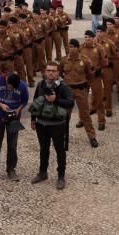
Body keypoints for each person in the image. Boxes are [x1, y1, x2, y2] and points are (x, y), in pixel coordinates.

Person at [30, 61, 74, 189]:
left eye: (53, 71)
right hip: (41, 124)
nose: (50, 73)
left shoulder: (64, 86)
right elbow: (35, 101)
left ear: (58, 72)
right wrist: (33, 119)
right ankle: (42, 173)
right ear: (45, 72)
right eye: (48, 70)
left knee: (60, 151)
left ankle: (61, 176)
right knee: (43, 149)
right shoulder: (41, 84)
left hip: (57, 125)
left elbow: (70, 103)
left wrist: (56, 100)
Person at [0, 67, 29, 183]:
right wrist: (0, 105)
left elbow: (25, 101)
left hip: (14, 118)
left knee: (12, 145)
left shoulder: (22, 86)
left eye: (14, 88)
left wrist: (19, 110)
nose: (11, 89)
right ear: (6, 81)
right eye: (10, 87)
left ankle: (11, 170)